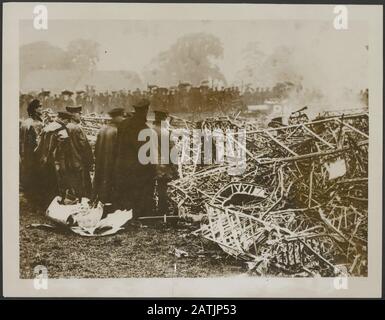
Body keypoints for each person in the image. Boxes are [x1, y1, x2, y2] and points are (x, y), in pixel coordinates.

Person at [114, 99, 156, 217]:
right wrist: (152, 168)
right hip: (136, 168)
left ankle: (125, 212)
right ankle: (139, 213)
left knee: (125, 192)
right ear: (146, 111)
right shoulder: (144, 129)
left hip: (122, 164)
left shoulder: (123, 123)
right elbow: (145, 154)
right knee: (140, 190)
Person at [34, 110, 73, 205]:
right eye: (68, 121)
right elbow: (64, 148)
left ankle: (44, 202)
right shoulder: (61, 129)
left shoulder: (48, 127)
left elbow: (39, 143)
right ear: (63, 119)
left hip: (43, 158)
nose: (68, 123)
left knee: (46, 181)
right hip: (56, 160)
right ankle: (57, 202)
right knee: (58, 181)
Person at [93, 107, 125, 204]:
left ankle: (98, 202)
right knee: (110, 185)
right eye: (122, 116)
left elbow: (96, 149)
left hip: (100, 162)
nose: (123, 119)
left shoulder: (102, 129)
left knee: (100, 182)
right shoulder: (117, 131)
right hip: (111, 164)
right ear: (117, 117)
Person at [148, 110, 176, 216]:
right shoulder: (167, 133)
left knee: (149, 188)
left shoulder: (149, 131)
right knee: (162, 189)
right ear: (164, 119)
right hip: (163, 166)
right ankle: (162, 210)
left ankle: (149, 209)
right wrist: (174, 168)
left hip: (149, 164)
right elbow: (172, 152)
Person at [63, 105, 94, 199]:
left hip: (69, 164)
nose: (80, 114)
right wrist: (90, 162)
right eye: (78, 112)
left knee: (73, 189)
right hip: (80, 164)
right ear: (72, 115)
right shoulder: (77, 128)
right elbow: (85, 147)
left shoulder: (65, 127)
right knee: (84, 191)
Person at [20, 99, 44, 200]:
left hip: (25, 151)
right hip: (33, 152)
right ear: (34, 109)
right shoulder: (36, 123)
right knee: (34, 172)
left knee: (27, 170)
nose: (41, 109)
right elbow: (37, 141)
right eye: (39, 107)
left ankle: (28, 192)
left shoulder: (25, 122)